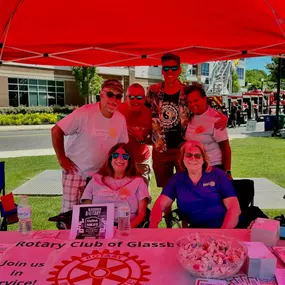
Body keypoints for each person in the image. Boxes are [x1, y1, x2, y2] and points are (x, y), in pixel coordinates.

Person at [146, 53, 227, 188]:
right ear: (162, 70)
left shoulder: (187, 91)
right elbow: (145, 111)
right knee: (165, 188)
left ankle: (183, 209)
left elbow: (204, 106)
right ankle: (168, 210)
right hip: (160, 148)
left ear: (179, 70)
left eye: (173, 68)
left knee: (186, 185)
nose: (170, 71)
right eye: (166, 68)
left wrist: (223, 116)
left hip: (184, 148)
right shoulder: (153, 91)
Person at [51, 79, 129, 213]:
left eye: (118, 96)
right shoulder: (84, 112)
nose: (114, 99)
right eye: (110, 94)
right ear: (101, 94)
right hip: (76, 171)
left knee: (95, 215)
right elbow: (56, 130)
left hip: (101, 175)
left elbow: (122, 146)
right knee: (70, 213)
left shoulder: (120, 119)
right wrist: (61, 158)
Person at [149, 140, 241, 229]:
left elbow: (234, 209)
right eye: (188, 155)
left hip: (224, 227)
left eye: (197, 156)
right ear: (182, 158)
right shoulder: (176, 179)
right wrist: (153, 225)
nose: (193, 159)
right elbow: (160, 205)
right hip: (196, 230)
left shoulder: (218, 175)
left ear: (203, 159)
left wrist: (222, 234)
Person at [81, 143, 151, 228]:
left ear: (130, 161)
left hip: (126, 226)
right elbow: (86, 209)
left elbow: (142, 214)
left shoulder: (138, 181)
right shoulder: (96, 179)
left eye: (125, 156)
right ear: (110, 158)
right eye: (115, 155)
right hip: (99, 228)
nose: (120, 159)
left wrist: (125, 229)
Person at [185, 85, 232, 178]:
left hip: (213, 168)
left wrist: (227, 173)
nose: (192, 104)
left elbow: (225, 148)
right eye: (189, 102)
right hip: (195, 168)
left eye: (196, 100)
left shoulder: (216, 119)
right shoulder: (190, 117)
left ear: (204, 99)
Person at [118, 83, 152, 185]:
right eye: (131, 97)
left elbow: (156, 140)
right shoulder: (117, 110)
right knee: (122, 194)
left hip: (141, 160)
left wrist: (141, 139)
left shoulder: (150, 114)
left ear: (144, 99)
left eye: (139, 97)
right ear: (126, 97)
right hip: (121, 160)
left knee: (143, 196)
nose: (135, 101)